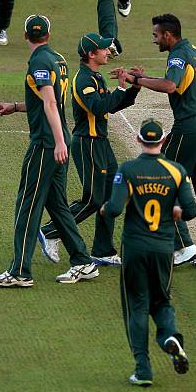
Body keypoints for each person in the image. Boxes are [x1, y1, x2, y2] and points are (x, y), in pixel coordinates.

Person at [0, 15, 99, 287]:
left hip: (46, 145)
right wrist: (16, 106)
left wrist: (58, 142)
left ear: (25, 36)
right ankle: (83, 261)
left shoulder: (38, 61)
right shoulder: (58, 60)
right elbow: (48, 101)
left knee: (27, 205)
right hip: (59, 142)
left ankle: (19, 272)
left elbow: (50, 103)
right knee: (57, 205)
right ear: (48, 35)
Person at [119, 13, 196, 271]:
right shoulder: (191, 50)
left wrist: (135, 80)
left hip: (189, 128)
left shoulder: (177, 55)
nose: (154, 40)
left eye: (156, 35)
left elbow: (169, 86)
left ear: (168, 34)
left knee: (162, 180)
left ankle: (182, 246)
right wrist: (142, 78)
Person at [101, 118, 196, 386]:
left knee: (137, 307)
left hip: (134, 247)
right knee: (162, 300)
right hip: (163, 248)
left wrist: (103, 209)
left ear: (139, 140)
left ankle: (143, 370)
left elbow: (115, 208)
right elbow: (191, 210)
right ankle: (169, 337)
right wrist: (177, 211)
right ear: (163, 140)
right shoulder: (176, 170)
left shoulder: (129, 169)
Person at [38, 33, 141, 267]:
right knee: (93, 199)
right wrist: (119, 89)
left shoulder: (96, 77)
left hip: (101, 143)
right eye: (104, 49)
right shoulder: (83, 80)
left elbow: (113, 107)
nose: (108, 52)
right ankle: (50, 230)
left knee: (110, 196)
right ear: (91, 54)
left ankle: (103, 251)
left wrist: (132, 87)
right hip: (88, 144)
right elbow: (98, 107)